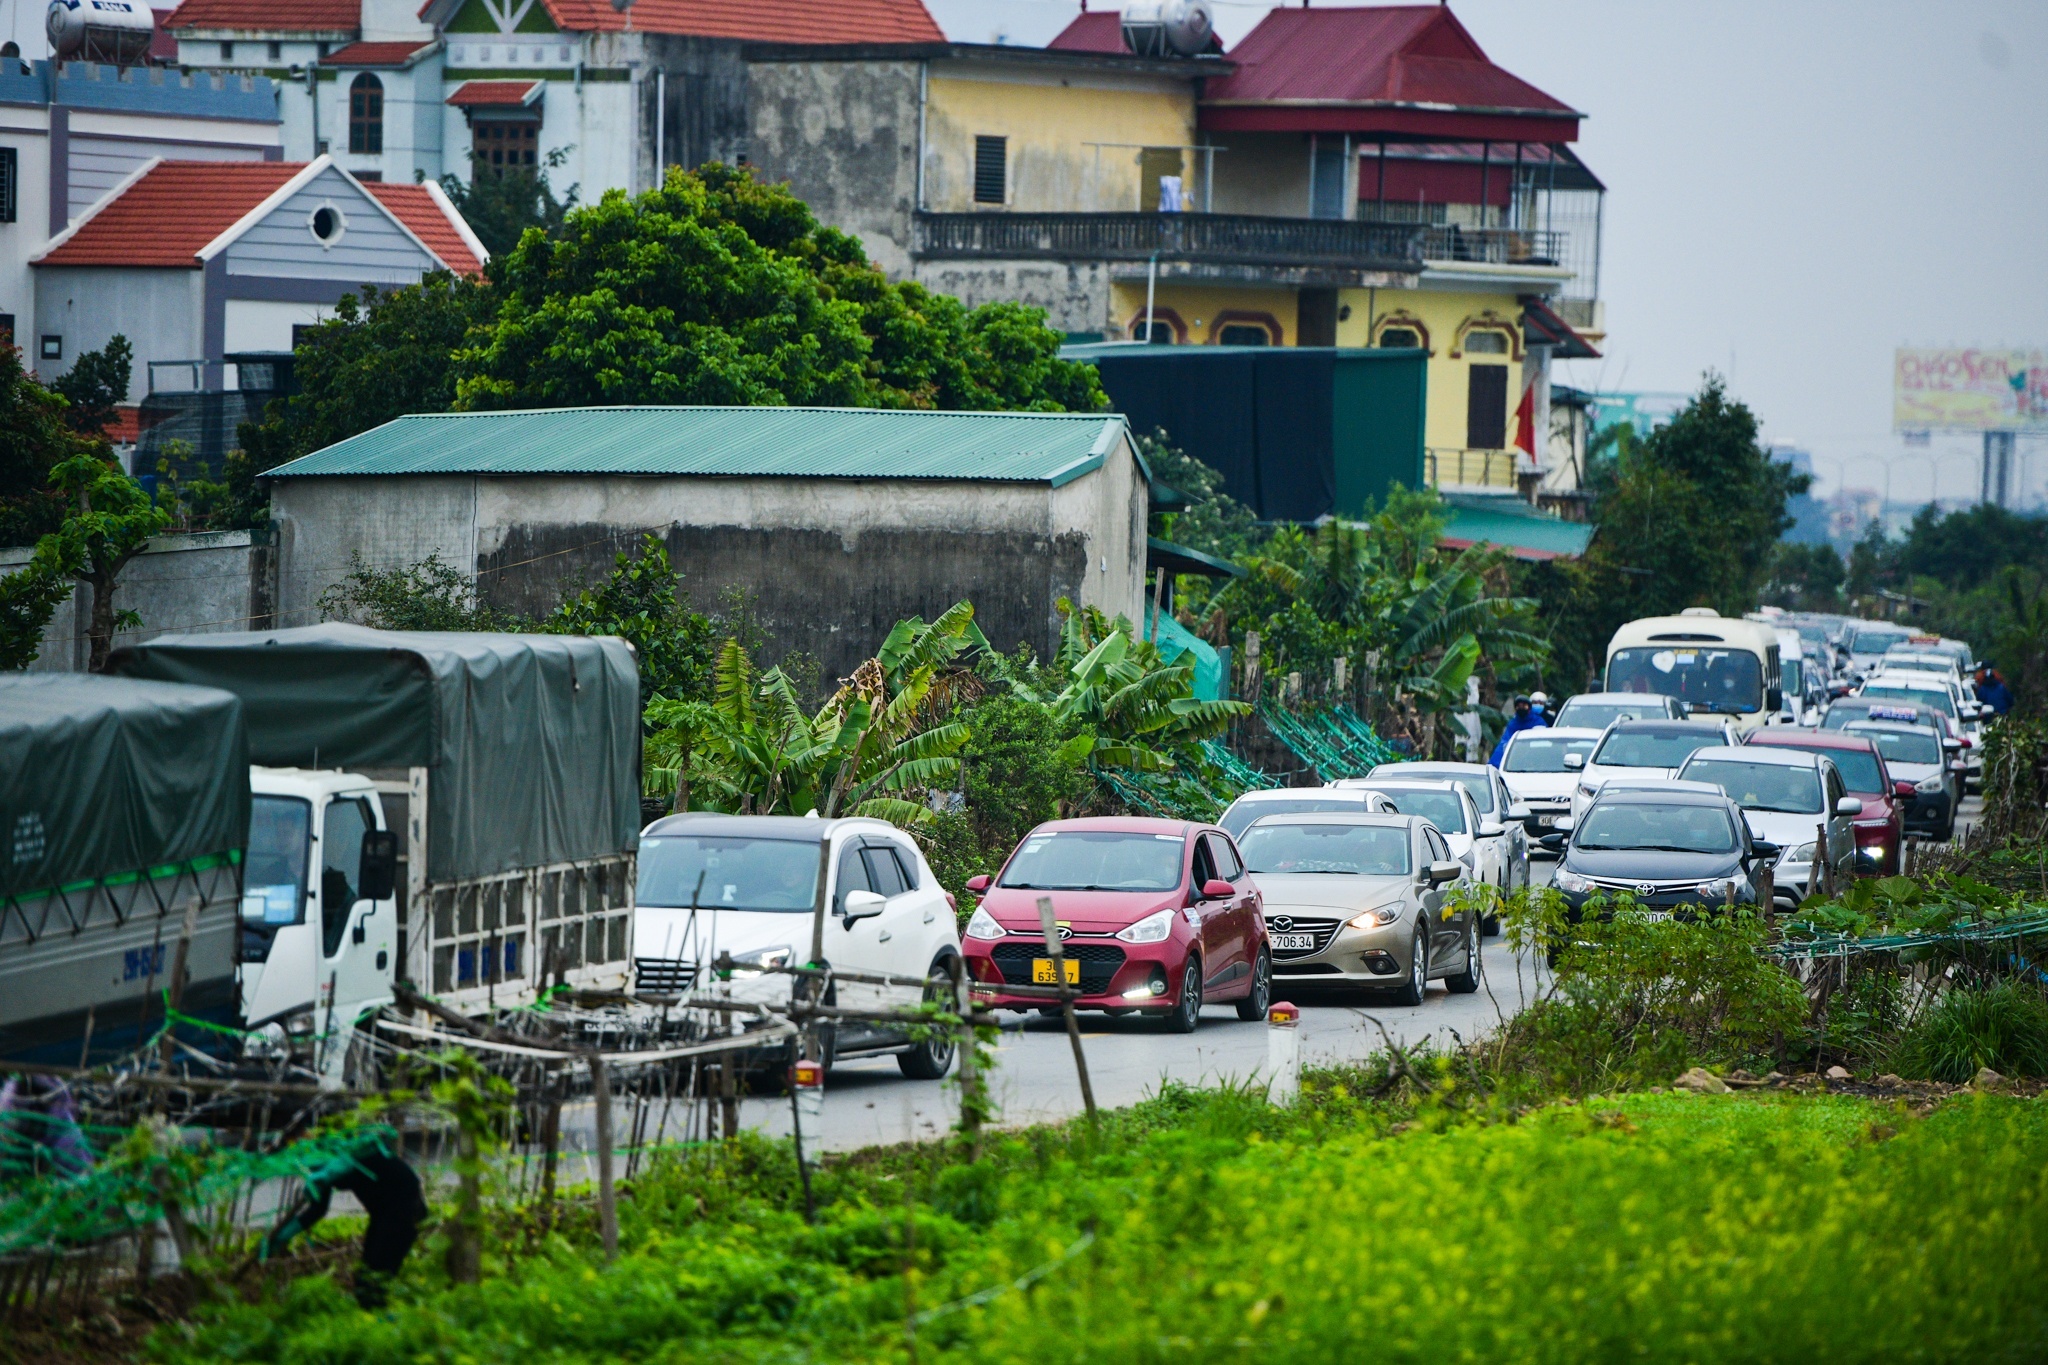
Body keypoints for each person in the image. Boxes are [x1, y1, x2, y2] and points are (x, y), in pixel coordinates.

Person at [1489, 695, 1548, 768]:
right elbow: (1505, 742)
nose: (1521, 708)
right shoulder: (1513, 723)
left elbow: (1541, 743)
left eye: (1524, 706)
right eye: (1519, 706)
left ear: (1529, 707)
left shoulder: (1538, 721)